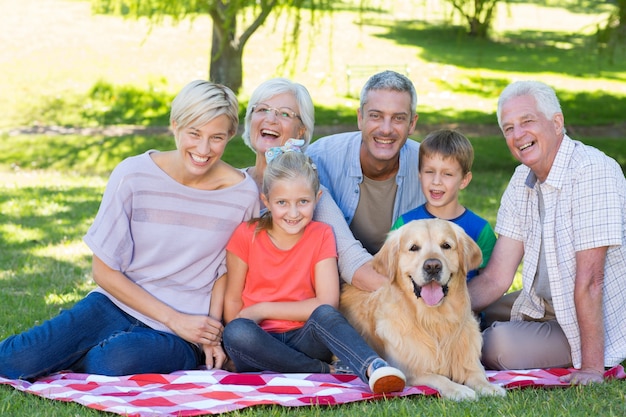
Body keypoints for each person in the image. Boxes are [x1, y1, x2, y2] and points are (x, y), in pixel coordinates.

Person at [0, 80, 260, 380]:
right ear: (175, 125)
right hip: (115, 304)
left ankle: (81, 351)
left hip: (185, 331)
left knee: (115, 361)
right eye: (194, 133)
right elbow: (104, 271)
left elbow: (227, 273)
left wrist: (209, 331)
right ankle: (75, 346)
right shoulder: (133, 175)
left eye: (216, 137)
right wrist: (172, 318)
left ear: (230, 136)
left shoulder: (242, 195)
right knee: (13, 361)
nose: (203, 149)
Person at [467, 80, 626, 385]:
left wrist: (593, 368)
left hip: (588, 322)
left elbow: (592, 281)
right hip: (541, 304)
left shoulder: (593, 171)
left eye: (527, 121)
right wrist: (432, 309)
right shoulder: (521, 179)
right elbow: (496, 277)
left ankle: (475, 343)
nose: (518, 135)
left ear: (557, 122)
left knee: (496, 345)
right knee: (470, 307)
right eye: (508, 128)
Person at [222, 150, 406, 394]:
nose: (294, 212)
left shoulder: (321, 235)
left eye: (303, 202)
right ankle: (321, 370)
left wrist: (262, 309)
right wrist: (241, 328)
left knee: (325, 315)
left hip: (305, 336)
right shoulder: (247, 234)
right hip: (259, 340)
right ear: (266, 201)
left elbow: (326, 302)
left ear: (317, 198)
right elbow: (233, 298)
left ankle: (374, 367)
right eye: (282, 203)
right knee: (236, 331)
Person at [242, 77, 389, 292]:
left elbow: (351, 259)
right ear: (250, 119)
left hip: (301, 314)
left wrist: (415, 298)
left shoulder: (312, 195)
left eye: (284, 114)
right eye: (262, 109)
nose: (271, 119)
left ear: (300, 131)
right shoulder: (229, 184)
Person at [306, 70, 426, 272]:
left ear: (412, 124)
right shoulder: (319, 158)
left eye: (398, 118)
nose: (386, 129)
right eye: (376, 116)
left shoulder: (428, 167)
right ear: (360, 118)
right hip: (331, 280)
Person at [391, 129, 496, 281]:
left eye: (447, 174)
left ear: (464, 180)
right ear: (419, 174)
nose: (436, 181)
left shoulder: (480, 230)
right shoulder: (404, 225)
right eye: (429, 171)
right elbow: (390, 277)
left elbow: (489, 282)